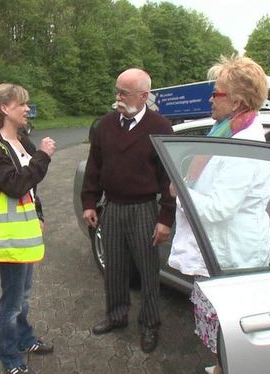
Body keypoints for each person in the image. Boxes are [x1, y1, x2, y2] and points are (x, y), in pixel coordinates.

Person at [167, 55, 270, 374]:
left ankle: (226, 366)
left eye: (217, 93)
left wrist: (181, 193)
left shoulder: (242, 149)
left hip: (229, 260)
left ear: (237, 102)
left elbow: (217, 208)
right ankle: (221, 366)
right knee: (223, 338)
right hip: (222, 253)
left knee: (231, 336)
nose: (210, 99)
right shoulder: (225, 134)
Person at [81, 68, 174, 353]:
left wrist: (165, 217)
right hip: (112, 208)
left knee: (148, 271)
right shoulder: (106, 126)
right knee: (115, 269)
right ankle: (117, 315)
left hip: (144, 209)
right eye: (117, 91)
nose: (118, 97)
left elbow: (169, 178)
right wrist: (89, 202)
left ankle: (149, 324)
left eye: (124, 92)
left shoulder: (160, 127)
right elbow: (94, 167)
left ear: (144, 96)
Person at [0, 83, 56, 374]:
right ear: (5, 108)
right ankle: (10, 358)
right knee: (12, 301)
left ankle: (24, 339)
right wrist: (44, 155)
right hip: (8, 238)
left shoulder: (21, 141)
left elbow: (31, 188)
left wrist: (39, 212)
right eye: (22, 104)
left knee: (24, 295)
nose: (27, 109)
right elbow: (15, 184)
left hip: (26, 235)